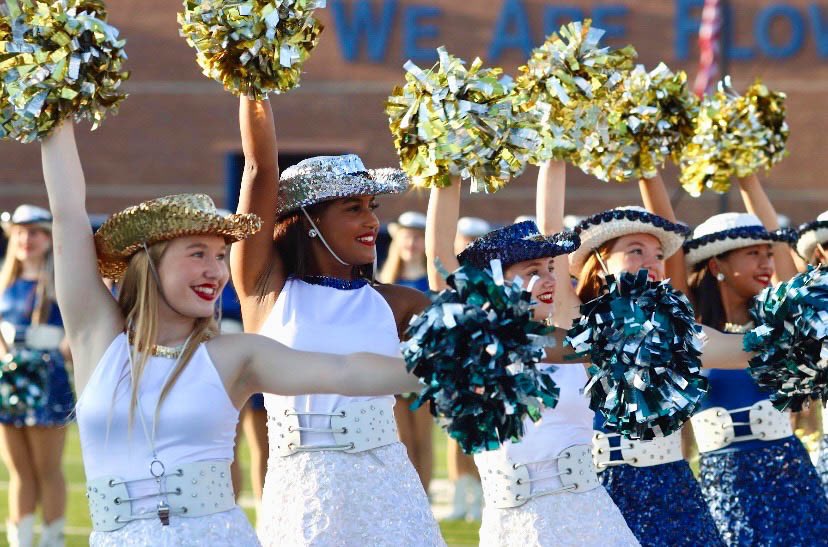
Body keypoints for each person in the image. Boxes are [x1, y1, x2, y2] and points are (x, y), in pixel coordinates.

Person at [38, 122, 424, 545]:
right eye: (198, 254)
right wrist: (56, 116)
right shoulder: (98, 340)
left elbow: (348, 372)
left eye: (221, 256)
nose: (216, 271)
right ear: (149, 263)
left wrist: (449, 368)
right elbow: (68, 213)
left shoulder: (234, 355)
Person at [232, 97, 444, 545]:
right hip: (301, 487)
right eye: (353, 208)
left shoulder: (399, 303)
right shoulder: (266, 288)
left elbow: (469, 338)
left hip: (387, 485)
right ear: (309, 220)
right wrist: (254, 81)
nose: (371, 221)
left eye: (373, 207)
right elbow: (259, 171)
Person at [425, 175, 640, 546]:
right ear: (496, 283)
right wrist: (447, 172)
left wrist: (554, 153)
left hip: (591, 519)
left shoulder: (572, 334)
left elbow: (553, 228)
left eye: (549, 269)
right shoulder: (478, 344)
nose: (549, 279)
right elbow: (439, 263)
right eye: (532, 272)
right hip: (515, 525)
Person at [0, 205, 73, 547]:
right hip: (7, 381)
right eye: (20, 232)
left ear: (49, 238)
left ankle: (52, 540)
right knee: (19, 471)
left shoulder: (62, 283)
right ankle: (21, 539)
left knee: (48, 469)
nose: (27, 239)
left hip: (49, 378)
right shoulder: (4, 284)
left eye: (36, 232)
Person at [379, 211, 433, 494]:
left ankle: (425, 495)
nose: (411, 243)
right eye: (406, 237)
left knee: (424, 440)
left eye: (417, 237)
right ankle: (407, 493)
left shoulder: (432, 281)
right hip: (392, 369)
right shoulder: (384, 281)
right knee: (402, 439)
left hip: (424, 370)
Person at [442, 216, 491, 521]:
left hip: (486, 365)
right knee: (457, 434)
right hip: (455, 365)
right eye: (464, 238)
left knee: (486, 430)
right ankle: (461, 494)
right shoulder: (448, 276)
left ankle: (483, 495)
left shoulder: (493, 278)